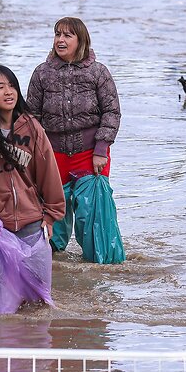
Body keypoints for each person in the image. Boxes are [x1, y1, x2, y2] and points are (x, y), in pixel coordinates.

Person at [0, 65, 66, 278]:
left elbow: (49, 173)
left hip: (32, 224)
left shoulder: (31, 127)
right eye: (0, 87)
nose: (8, 92)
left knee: (36, 297)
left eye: (12, 86)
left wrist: (51, 215)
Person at [25, 17, 121, 236]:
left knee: (93, 220)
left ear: (81, 40)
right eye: (58, 34)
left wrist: (100, 150)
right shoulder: (42, 73)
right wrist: (35, 155)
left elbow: (112, 112)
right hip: (52, 156)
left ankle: (98, 268)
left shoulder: (98, 72)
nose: (61, 39)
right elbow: (32, 118)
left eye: (68, 35)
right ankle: (55, 268)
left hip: (90, 155)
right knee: (50, 222)